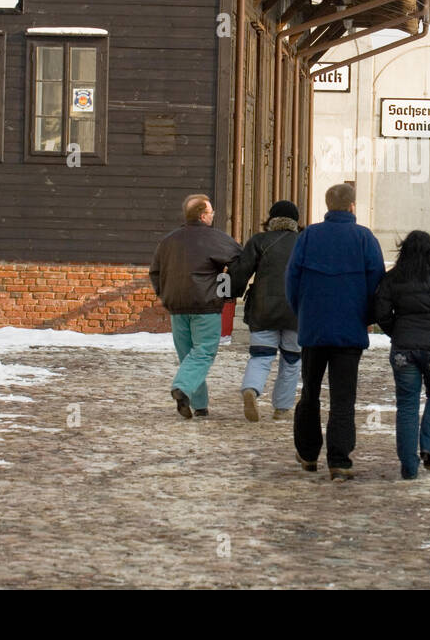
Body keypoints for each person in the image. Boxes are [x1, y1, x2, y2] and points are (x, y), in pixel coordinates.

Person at [285, 183, 384, 481]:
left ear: (327, 206)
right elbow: (377, 283)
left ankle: (307, 452)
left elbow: (292, 280)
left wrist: (303, 313)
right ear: (352, 206)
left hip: (313, 329)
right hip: (349, 331)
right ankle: (339, 459)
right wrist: (365, 317)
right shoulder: (365, 238)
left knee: (310, 392)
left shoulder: (309, 236)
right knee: (343, 397)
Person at [373, 230, 430, 480]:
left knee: (407, 404)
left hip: (404, 349)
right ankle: (428, 446)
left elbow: (381, 312)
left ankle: (408, 466)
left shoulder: (392, 278)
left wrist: (397, 333)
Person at [149, 194, 242, 419]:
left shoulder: (168, 241)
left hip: (177, 307)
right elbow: (240, 259)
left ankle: (199, 404)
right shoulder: (215, 239)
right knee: (203, 353)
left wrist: (164, 295)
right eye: (211, 213)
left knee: (188, 356)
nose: (213, 216)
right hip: (205, 306)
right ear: (203, 216)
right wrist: (228, 290)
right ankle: (182, 387)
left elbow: (155, 272)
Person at [228, 200, 302, 422]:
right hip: (296, 311)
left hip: (263, 310)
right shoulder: (304, 242)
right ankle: (281, 408)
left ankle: (251, 389)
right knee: (291, 361)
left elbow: (240, 271)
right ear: (295, 222)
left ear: (271, 220)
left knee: (261, 356)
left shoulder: (259, 241)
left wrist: (229, 293)